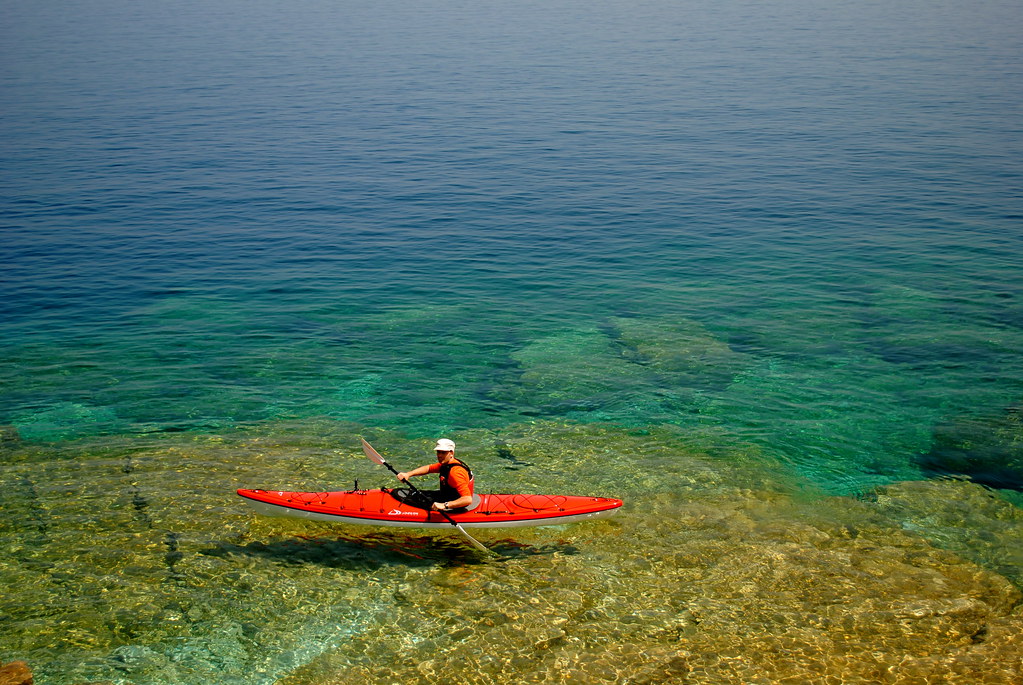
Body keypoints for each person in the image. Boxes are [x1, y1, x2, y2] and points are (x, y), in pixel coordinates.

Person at [395, 438, 474, 512]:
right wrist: (408, 474)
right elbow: (429, 468)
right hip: (446, 496)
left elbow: (467, 499)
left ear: (451, 453)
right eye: (438, 452)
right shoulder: (448, 464)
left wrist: (444, 505)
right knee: (417, 494)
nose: (439, 455)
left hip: (455, 503)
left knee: (410, 498)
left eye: (443, 452)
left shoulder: (455, 473)